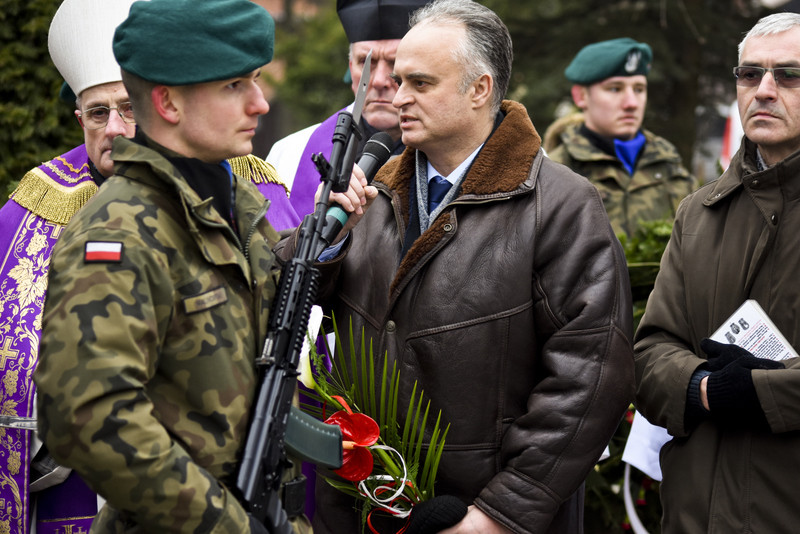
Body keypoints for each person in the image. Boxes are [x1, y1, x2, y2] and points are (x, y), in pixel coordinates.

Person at [304, 1, 635, 532]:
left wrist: (501, 512)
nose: (397, 94)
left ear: (480, 89)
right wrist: (326, 232)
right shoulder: (372, 189)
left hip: (480, 515)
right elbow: (282, 297)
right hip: (368, 506)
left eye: (420, 82)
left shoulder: (560, 204)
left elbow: (590, 376)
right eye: (394, 77)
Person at [32, 0, 320, 532]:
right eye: (235, 86)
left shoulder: (235, 207)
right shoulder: (120, 231)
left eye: (256, 81)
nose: (259, 103)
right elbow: (87, 417)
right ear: (167, 102)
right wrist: (226, 525)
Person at [633, 12, 800, 533]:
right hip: (694, 516)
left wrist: (761, 395)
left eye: (789, 75)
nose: (765, 90)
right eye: (750, 75)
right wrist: (704, 388)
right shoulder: (698, 213)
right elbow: (648, 354)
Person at [0, 1, 139, 532]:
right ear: (80, 119)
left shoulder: (220, 189)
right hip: (69, 494)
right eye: (99, 114)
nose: (115, 129)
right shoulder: (31, 208)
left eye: (128, 109)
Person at [267, 0, 428, 217]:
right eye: (366, 62)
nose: (379, 80)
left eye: (395, 62)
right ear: (351, 68)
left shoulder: (452, 156)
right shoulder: (289, 154)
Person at [544, 38, 696, 238]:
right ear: (581, 96)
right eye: (615, 89)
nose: (632, 103)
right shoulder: (555, 173)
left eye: (639, 89)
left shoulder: (670, 165)